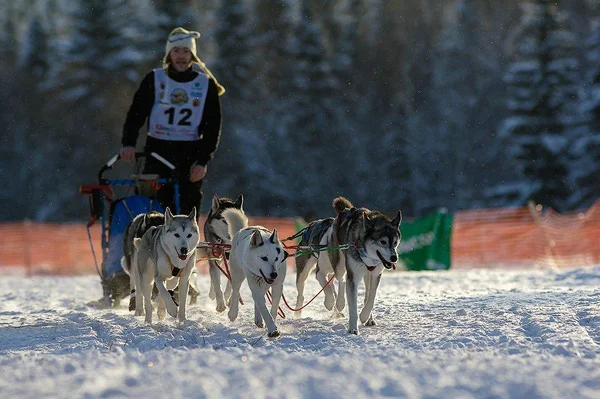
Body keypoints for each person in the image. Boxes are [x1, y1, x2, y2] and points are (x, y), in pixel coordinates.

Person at [120, 27, 225, 215]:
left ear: (192, 56)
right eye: (176, 51)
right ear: (169, 55)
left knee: (185, 211)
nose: (181, 56)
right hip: (156, 152)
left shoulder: (205, 84)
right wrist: (128, 143)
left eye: (186, 51)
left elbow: (213, 126)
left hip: (189, 154)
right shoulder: (154, 79)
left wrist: (202, 161)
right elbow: (136, 114)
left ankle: (184, 244)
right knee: (149, 207)